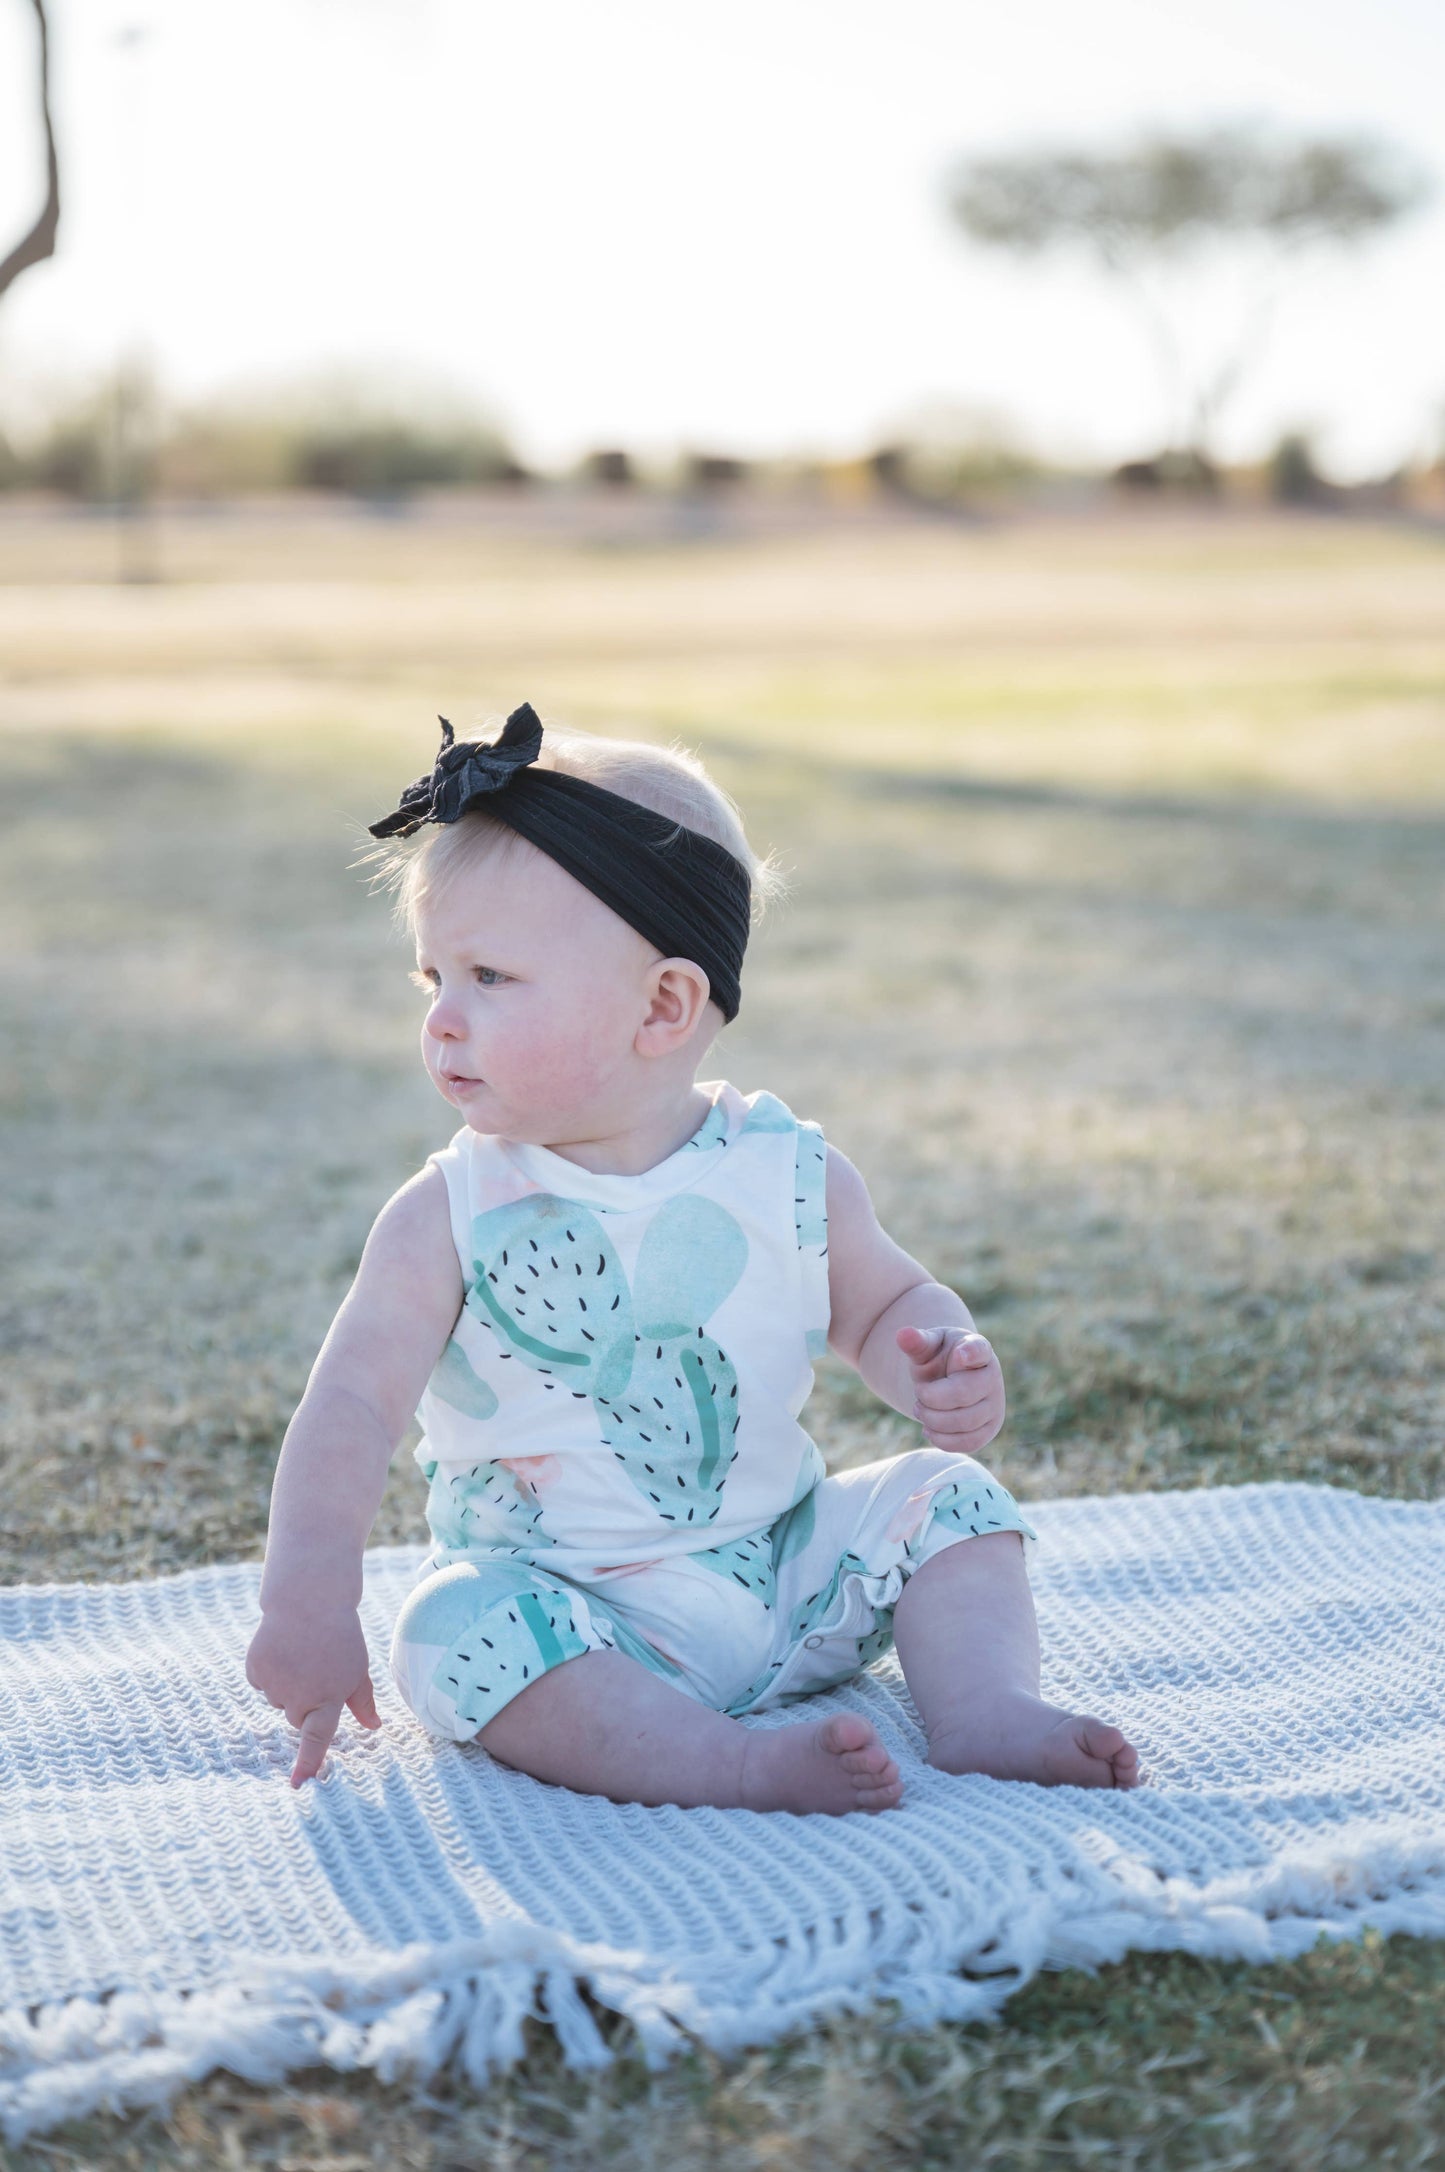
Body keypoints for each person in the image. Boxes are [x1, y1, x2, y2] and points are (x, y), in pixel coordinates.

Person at [245, 703, 1140, 1812]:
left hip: (786, 1574)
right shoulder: (450, 1211)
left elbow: (882, 1306)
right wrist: (308, 1601)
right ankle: (720, 1763)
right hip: (579, 1618)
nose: (442, 1020)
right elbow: (348, 1411)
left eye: (489, 978)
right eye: (433, 981)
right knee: (453, 1626)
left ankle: (984, 1711)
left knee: (945, 1496)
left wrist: (936, 1361)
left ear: (662, 1004)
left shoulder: (786, 1170)